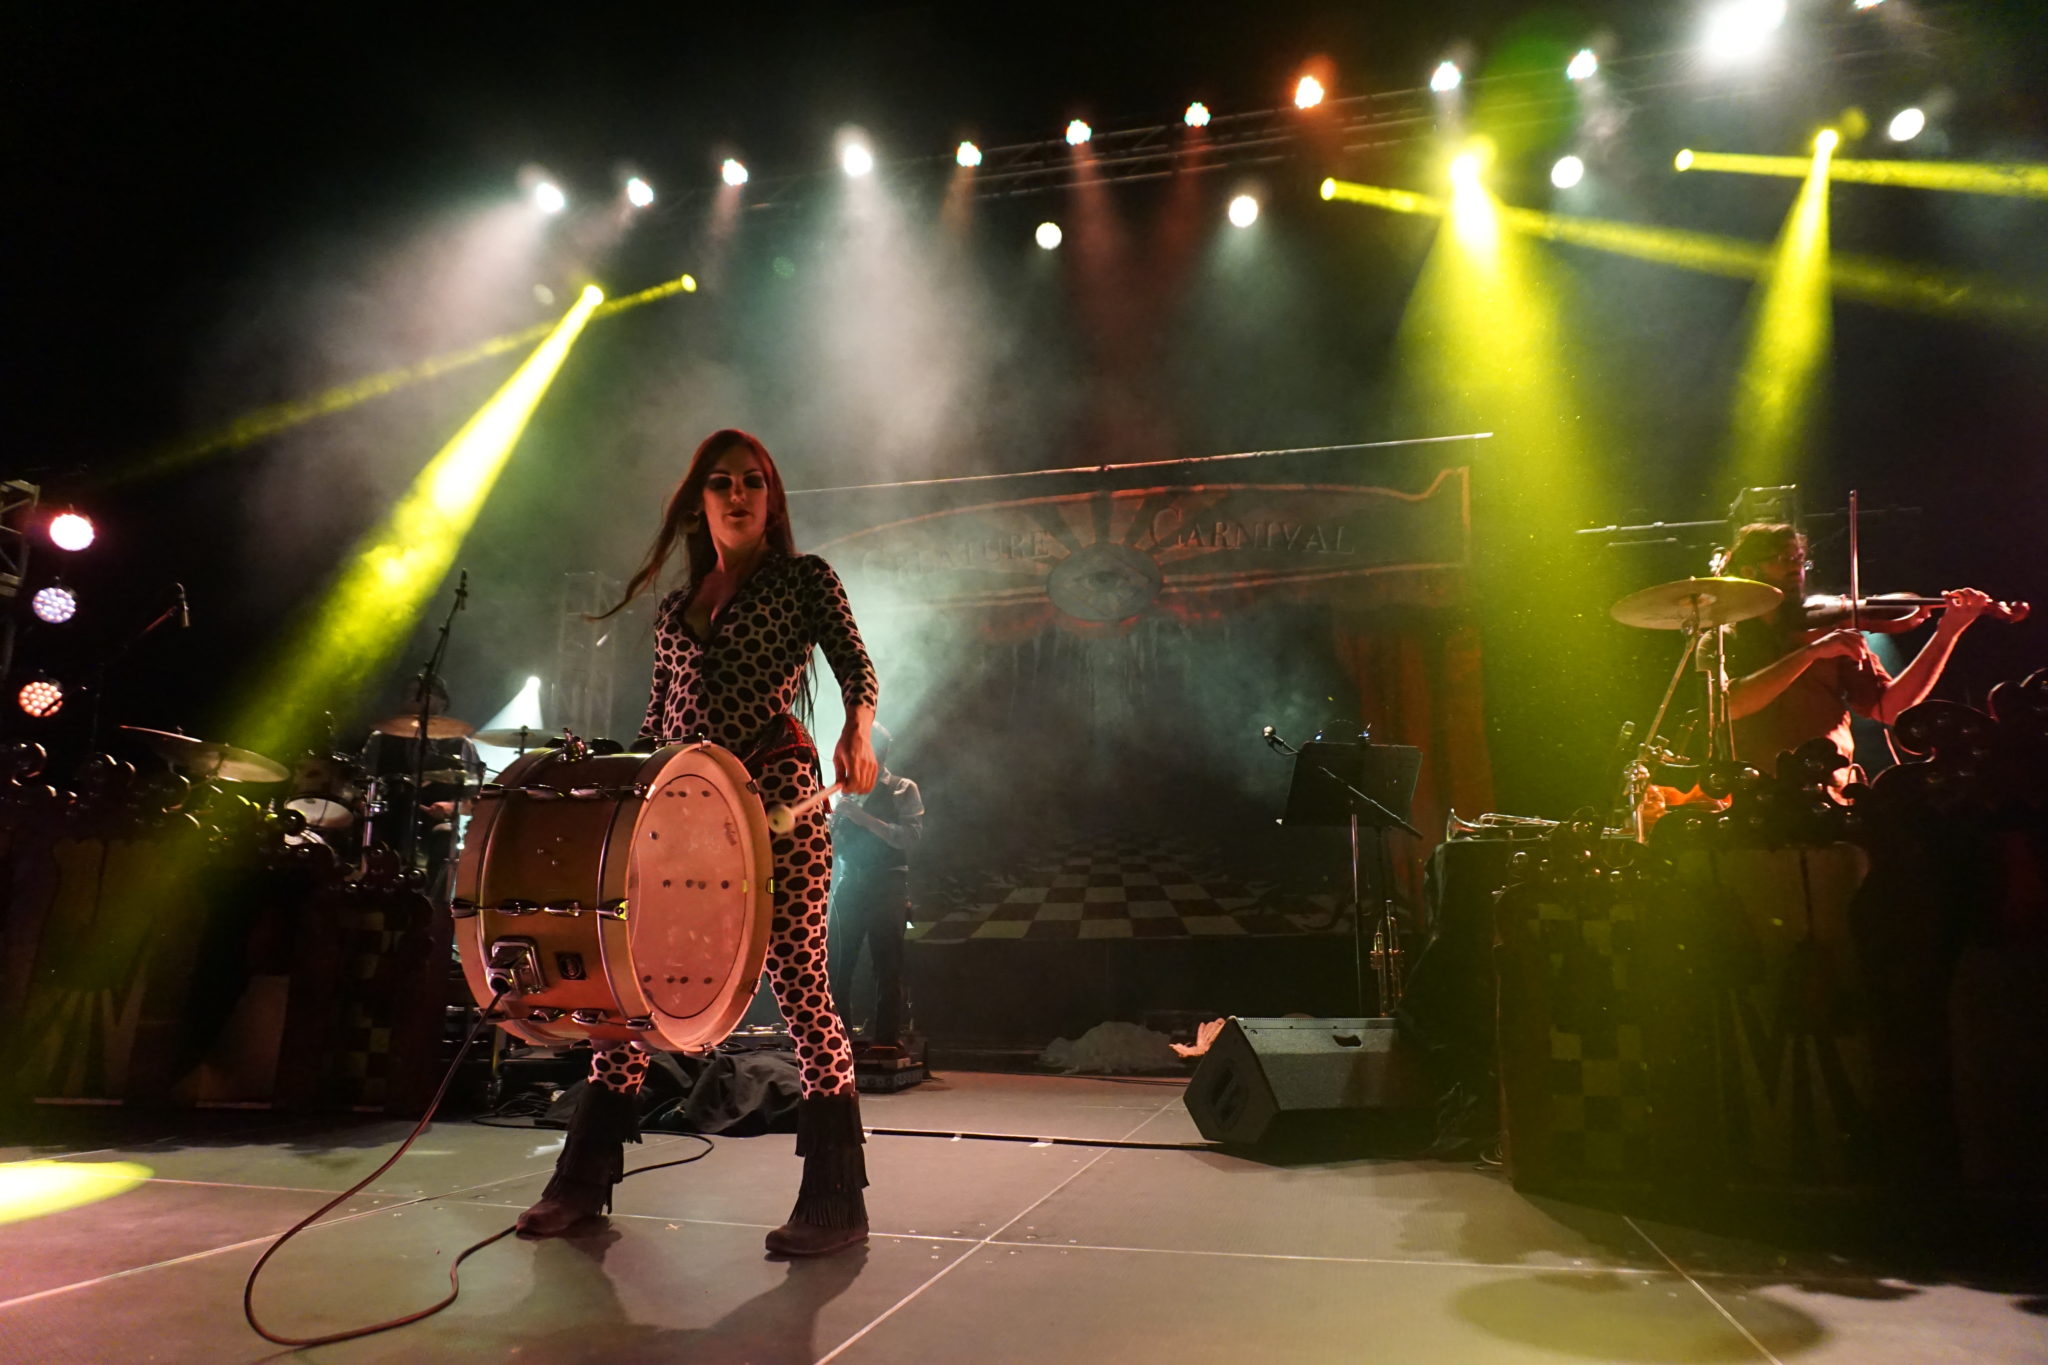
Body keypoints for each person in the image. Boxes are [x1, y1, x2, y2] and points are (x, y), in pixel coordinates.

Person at [516, 428, 879, 1256]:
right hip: (681, 814)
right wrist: (622, 796)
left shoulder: (804, 579)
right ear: (698, 503)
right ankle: (581, 1181)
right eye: (722, 482)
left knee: (799, 982)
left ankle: (835, 1202)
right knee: (629, 985)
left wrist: (858, 730)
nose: (738, 493)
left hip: (775, 795)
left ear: (771, 501)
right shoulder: (675, 609)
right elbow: (657, 720)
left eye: (753, 481)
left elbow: (857, 667)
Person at [1721, 522, 1992, 777]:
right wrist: (1810, 653)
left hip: (1829, 782)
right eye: (1782, 559)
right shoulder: (1723, 638)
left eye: (1799, 559)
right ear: (1749, 571)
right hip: (1753, 786)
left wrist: (1947, 633)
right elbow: (1732, 705)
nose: (1796, 568)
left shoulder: (1831, 634)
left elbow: (1890, 708)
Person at [828, 722, 923, 1048]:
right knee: (837, 966)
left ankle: (886, 1042)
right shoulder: (845, 792)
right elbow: (834, 845)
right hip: (849, 884)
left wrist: (862, 818)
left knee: (887, 967)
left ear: (878, 751)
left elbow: (909, 837)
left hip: (887, 884)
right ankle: (839, 1042)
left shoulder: (902, 788)